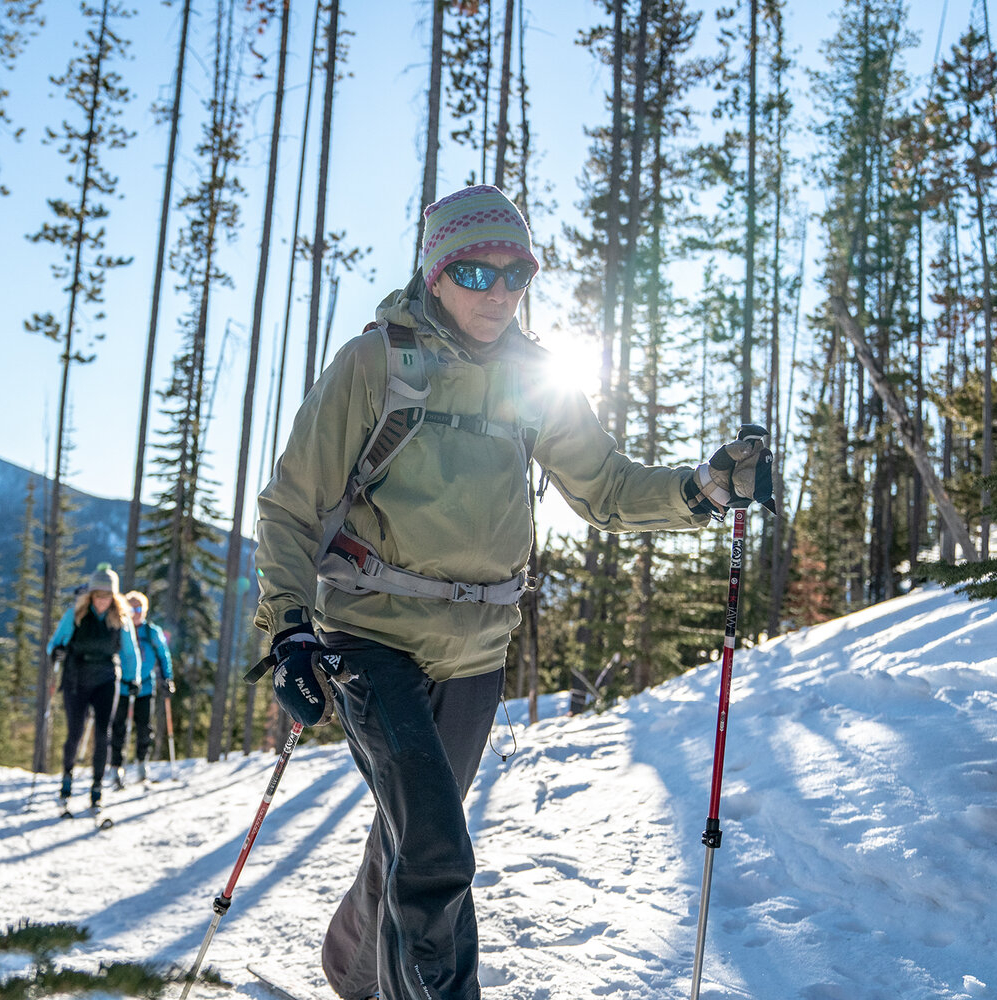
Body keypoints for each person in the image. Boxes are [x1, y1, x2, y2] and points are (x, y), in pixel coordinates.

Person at [251, 184, 774, 1000]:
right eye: (474, 272)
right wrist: (287, 628)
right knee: (436, 851)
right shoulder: (375, 363)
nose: (498, 293)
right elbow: (290, 505)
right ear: (434, 272)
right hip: (371, 640)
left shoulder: (536, 376)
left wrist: (701, 489)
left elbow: (602, 486)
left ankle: (353, 968)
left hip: (476, 656)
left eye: (516, 274)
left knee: (414, 836)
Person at [46, 563, 140, 809]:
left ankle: (97, 785)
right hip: (76, 677)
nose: (102, 601)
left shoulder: (121, 618)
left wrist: (133, 679)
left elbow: (130, 653)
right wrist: (56, 652)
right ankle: (67, 776)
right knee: (75, 732)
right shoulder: (75, 615)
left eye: (107, 596)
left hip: (107, 679)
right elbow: (54, 644)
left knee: (102, 733)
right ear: (91, 595)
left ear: (114, 596)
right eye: (98, 596)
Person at [108, 590, 175, 787]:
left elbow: (164, 656)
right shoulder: (120, 628)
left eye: (138, 608)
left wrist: (167, 679)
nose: (135, 612)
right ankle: (116, 767)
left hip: (145, 686)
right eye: (131, 608)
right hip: (121, 687)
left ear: (144, 610)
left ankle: (141, 765)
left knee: (144, 728)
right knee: (118, 727)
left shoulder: (152, 632)